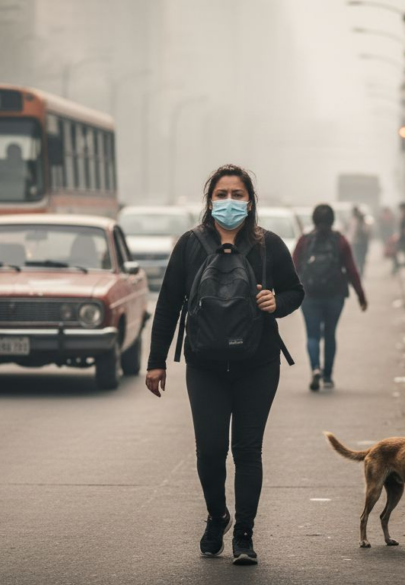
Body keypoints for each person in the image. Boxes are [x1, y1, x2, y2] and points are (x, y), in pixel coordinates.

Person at [145, 164, 305, 565]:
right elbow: (167, 305)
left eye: (237, 194)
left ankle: (245, 535)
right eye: (222, 194)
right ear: (209, 199)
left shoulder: (269, 245)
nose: (229, 202)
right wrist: (156, 361)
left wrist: (276, 302)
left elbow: (295, 291)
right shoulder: (190, 245)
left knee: (247, 450)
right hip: (205, 365)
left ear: (250, 201)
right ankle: (218, 516)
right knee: (211, 450)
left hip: (258, 363)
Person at [293, 204, 369, 391]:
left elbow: (293, 267)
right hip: (335, 295)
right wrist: (361, 295)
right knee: (329, 334)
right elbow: (351, 270)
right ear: (333, 220)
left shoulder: (304, 240)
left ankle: (315, 369)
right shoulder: (340, 241)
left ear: (314, 219)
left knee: (312, 335)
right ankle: (327, 376)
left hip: (308, 294)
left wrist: (289, 293)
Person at [348, 206, 371, 276]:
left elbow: (366, 231)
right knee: (359, 256)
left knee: (360, 256)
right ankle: (360, 270)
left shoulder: (360, 220)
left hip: (359, 241)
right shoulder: (354, 220)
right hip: (358, 241)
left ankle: (360, 270)